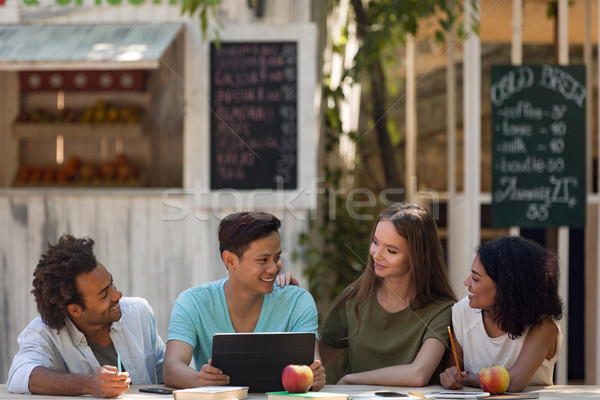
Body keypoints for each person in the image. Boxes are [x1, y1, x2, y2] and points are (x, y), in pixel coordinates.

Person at [163, 211, 325, 390]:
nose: (274, 268)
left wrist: (315, 376)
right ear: (230, 261)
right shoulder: (193, 303)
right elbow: (171, 368)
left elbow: (314, 367)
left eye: (277, 258)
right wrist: (200, 380)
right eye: (263, 260)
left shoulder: (298, 302)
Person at [7, 234, 166, 398]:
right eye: (104, 294)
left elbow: (164, 378)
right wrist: (88, 384)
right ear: (75, 310)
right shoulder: (44, 332)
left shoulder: (139, 312)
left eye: (111, 283)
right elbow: (20, 374)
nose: (117, 294)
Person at [319, 202, 457, 386]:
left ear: (420, 256)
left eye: (391, 250)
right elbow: (312, 364)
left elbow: (418, 374)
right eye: (375, 242)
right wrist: (290, 299)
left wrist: (350, 379)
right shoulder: (355, 298)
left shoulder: (441, 310)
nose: (376, 255)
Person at [440, 236, 563, 392]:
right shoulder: (462, 311)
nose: (467, 282)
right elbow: (454, 371)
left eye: (476, 279)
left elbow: (514, 382)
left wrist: (469, 378)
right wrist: (449, 377)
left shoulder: (544, 325)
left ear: (505, 288)